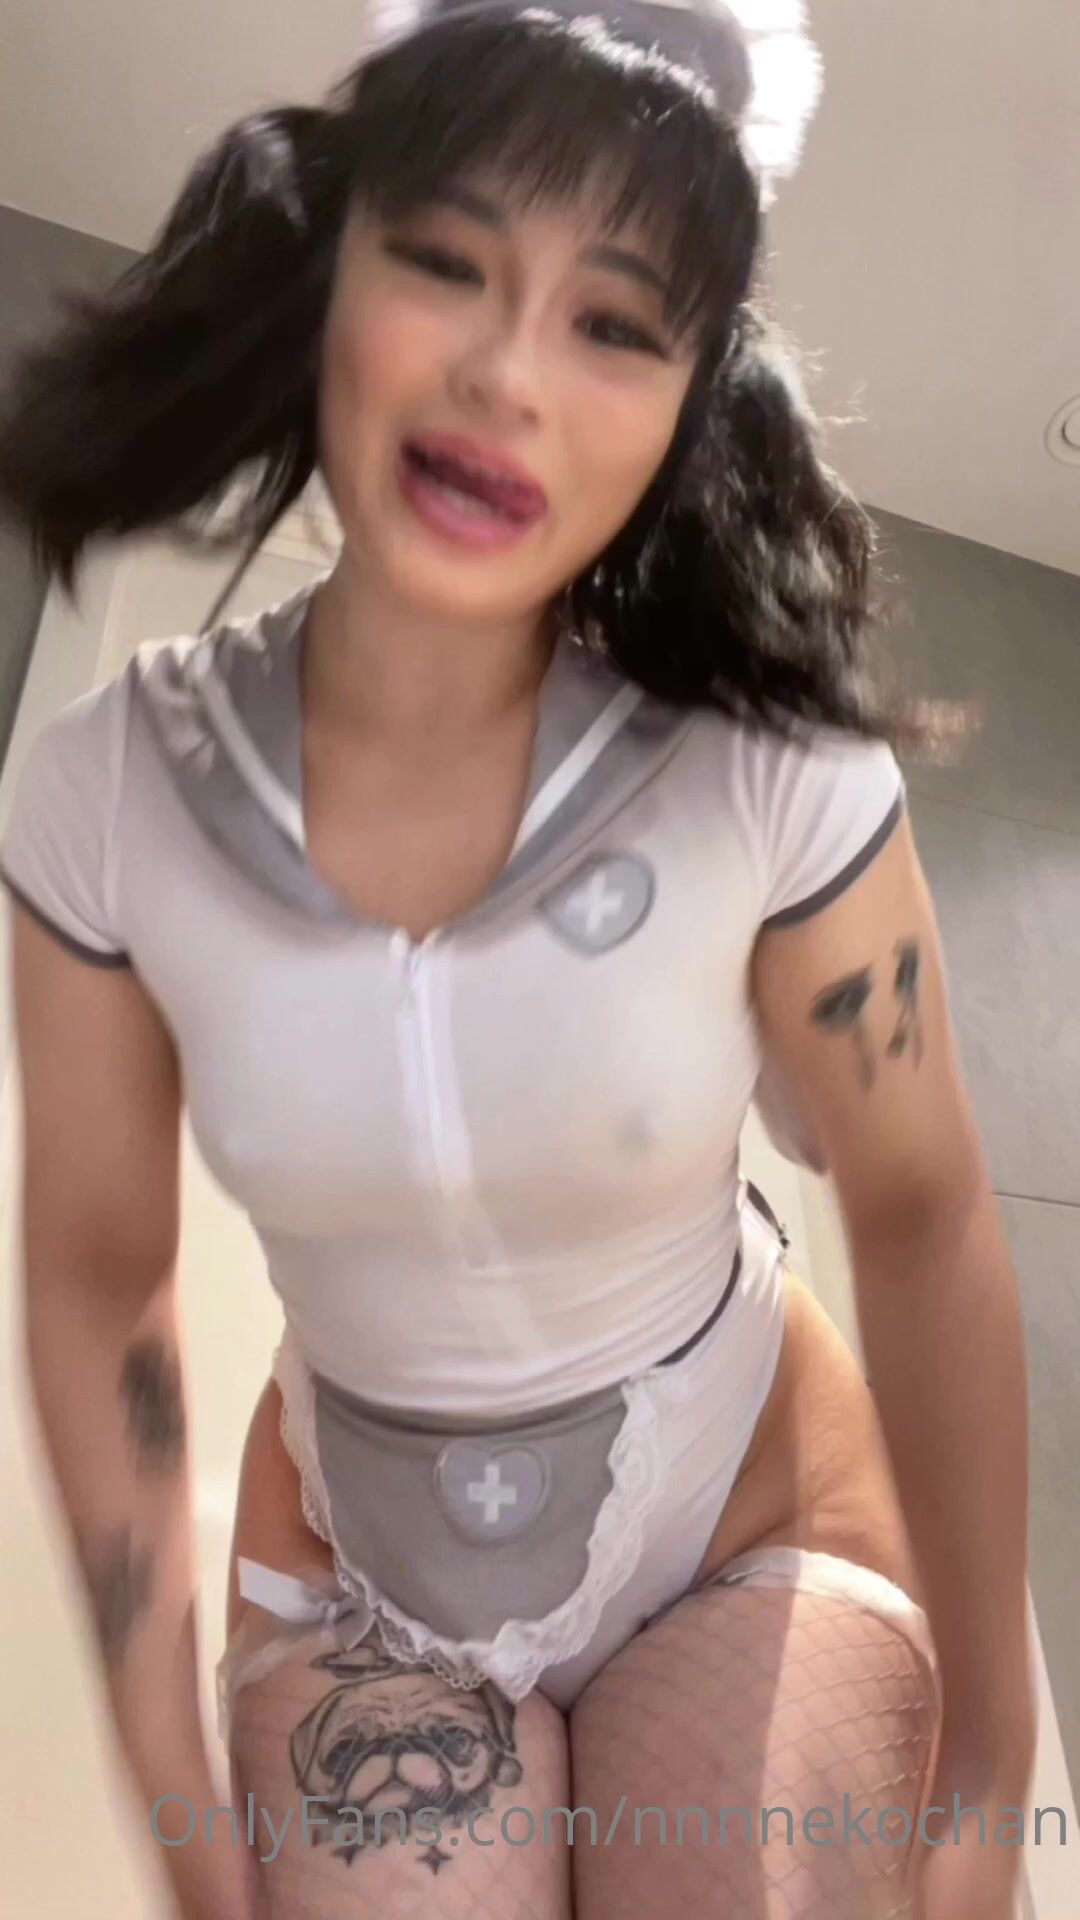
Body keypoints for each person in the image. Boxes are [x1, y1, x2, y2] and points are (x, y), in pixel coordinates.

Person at [0, 3, 1035, 1915]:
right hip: (360, 1572)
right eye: (447, 261)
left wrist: (997, 1750)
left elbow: (916, 1202)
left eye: (614, 324)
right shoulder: (108, 794)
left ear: (688, 398)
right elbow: (90, 1267)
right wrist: (167, 1780)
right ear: (332, 267)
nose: (506, 376)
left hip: (747, 1511)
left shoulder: (772, 773)